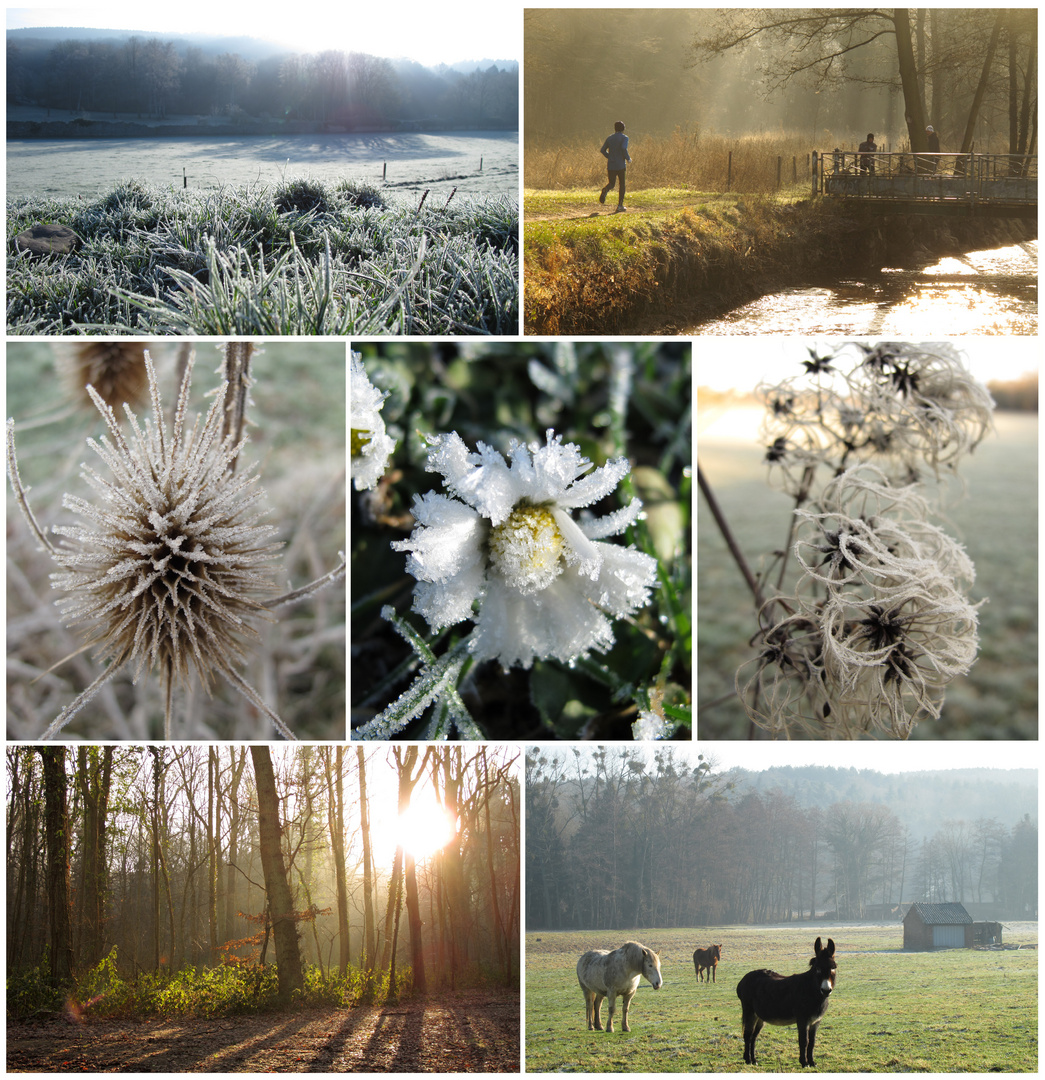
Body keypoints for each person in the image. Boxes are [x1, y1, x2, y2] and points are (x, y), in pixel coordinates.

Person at [599, 120, 631, 213]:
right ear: (623, 129)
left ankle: (605, 189)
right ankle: (620, 205)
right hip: (621, 165)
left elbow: (602, 150)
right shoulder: (625, 138)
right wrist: (628, 158)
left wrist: (610, 156)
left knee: (612, 184)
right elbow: (623, 148)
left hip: (611, 165)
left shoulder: (610, 138)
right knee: (622, 185)